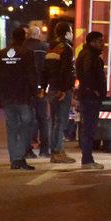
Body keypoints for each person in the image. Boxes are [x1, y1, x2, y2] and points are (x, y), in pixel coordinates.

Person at [0, 27, 37, 170]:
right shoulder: (27, 53)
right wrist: (34, 93)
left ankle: (14, 160)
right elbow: (32, 76)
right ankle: (20, 157)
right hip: (23, 97)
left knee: (11, 128)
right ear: (24, 37)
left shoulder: (1, 54)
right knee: (26, 126)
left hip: (7, 97)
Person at [42, 22, 76, 164]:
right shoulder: (66, 48)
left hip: (52, 88)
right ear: (67, 33)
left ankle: (54, 151)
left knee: (54, 120)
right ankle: (58, 152)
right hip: (62, 89)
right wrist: (63, 89)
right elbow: (66, 70)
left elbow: (45, 69)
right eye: (71, 31)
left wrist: (43, 87)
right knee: (61, 121)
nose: (73, 34)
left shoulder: (51, 48)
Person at [76, 31, 107, 169]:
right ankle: (87, 160)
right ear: (92, 42)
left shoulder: (87, 54)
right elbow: (87, 74)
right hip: (90, 98)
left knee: (88, 128)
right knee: (89, 129)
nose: (103, 44)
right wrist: (94, 90)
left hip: (88, 96)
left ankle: (87, 159)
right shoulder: (90, 56)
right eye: (100, 41)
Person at [24, 26, 50, 158]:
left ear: (28, 34)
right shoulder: (45, 47)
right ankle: (45, 150)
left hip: (26, 89)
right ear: (39, 35)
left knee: (28, 118)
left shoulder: (22, 47)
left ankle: (27, 150)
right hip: (41, 88)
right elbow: (49, 68)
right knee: (43, 119)